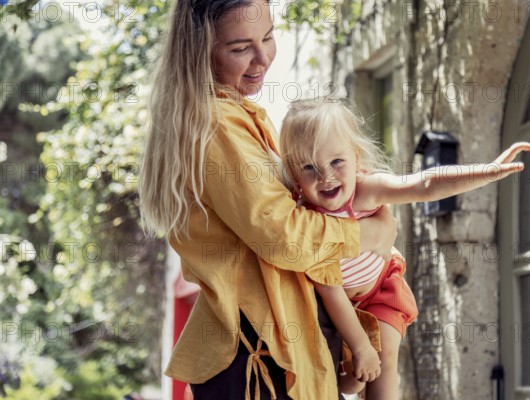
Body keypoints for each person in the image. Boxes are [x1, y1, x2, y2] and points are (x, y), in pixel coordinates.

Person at [138, 1, 398, 399]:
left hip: (262, 346)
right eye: (241, 48)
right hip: (258, 351)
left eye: (269, 37)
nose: (263, 59)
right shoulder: (218, 123)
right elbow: (285, 237)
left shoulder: (234, 114)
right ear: (199, 50)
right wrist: (369, 232)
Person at [279, 99, 530, 399]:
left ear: (356, 157)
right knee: (350, 379)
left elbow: (424, 184)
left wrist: (488, 171)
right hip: (337, 306)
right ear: (294, 177)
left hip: (380, 291)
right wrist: (360, 346)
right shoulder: (304, 222)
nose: (326, 177)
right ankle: (355, 375)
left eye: (337, 162)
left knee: (384, 356)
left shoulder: (365, 191)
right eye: (309, 167)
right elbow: (330, 291)